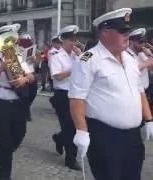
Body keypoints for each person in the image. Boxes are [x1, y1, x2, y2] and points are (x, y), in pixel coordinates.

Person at [69, 8, 153, 180]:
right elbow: (77, 97)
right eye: (122, 31)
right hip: (105, 136)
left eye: (128, 31)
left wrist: (149, 119)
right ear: (105, 33)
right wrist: (82, 131)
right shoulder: (89, 59)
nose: (127, 36)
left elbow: (139, 90)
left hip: (132, 136)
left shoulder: (130, 59)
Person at [0, 24, 34, 180]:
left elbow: (31, 76)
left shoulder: (17, 56)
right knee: (5, 138)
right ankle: (4, 173)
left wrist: (25, 78)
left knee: (20, 133)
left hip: (16, 100)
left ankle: (4, 152)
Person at [48, 25, 81, 170]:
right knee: (70, 128)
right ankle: (71, 159)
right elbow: (58, 76)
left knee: (75, 126)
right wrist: (75, 68)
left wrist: (81, 58)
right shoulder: (56, 56)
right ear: (63, 41)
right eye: (71, 40)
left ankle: (59, 138)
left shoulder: (77, 56)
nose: (74, 43)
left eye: (75, 40)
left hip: (76, 94)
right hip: (62, 95)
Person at [18, 33, 38, 121]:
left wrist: (34, 60)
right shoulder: (18, 50)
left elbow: (35, 63)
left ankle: (24, 108)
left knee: (33, 93)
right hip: (22, 73)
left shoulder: (32, 49)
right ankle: (26, 113)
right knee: (25, 95)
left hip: (31, 72)